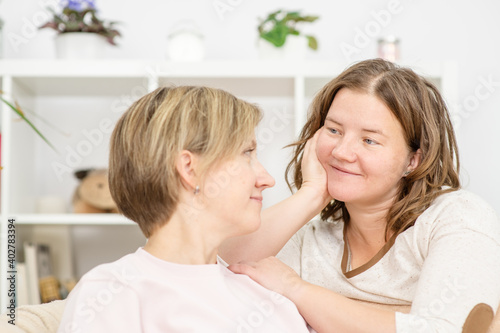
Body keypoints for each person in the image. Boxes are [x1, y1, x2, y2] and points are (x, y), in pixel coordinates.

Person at [221, 59, 500, 332]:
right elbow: (219, 264)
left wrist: (297, 290)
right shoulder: (311, 240)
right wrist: (312, 194)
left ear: (413, 160)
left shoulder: (456, 217)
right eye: (333, 130)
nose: (341, 152)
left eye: (369, 140)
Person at [57, 86, 312, 333]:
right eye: (247, 153)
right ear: (190, 169)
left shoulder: (263, 289)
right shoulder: (112, 293)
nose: (267, 179)